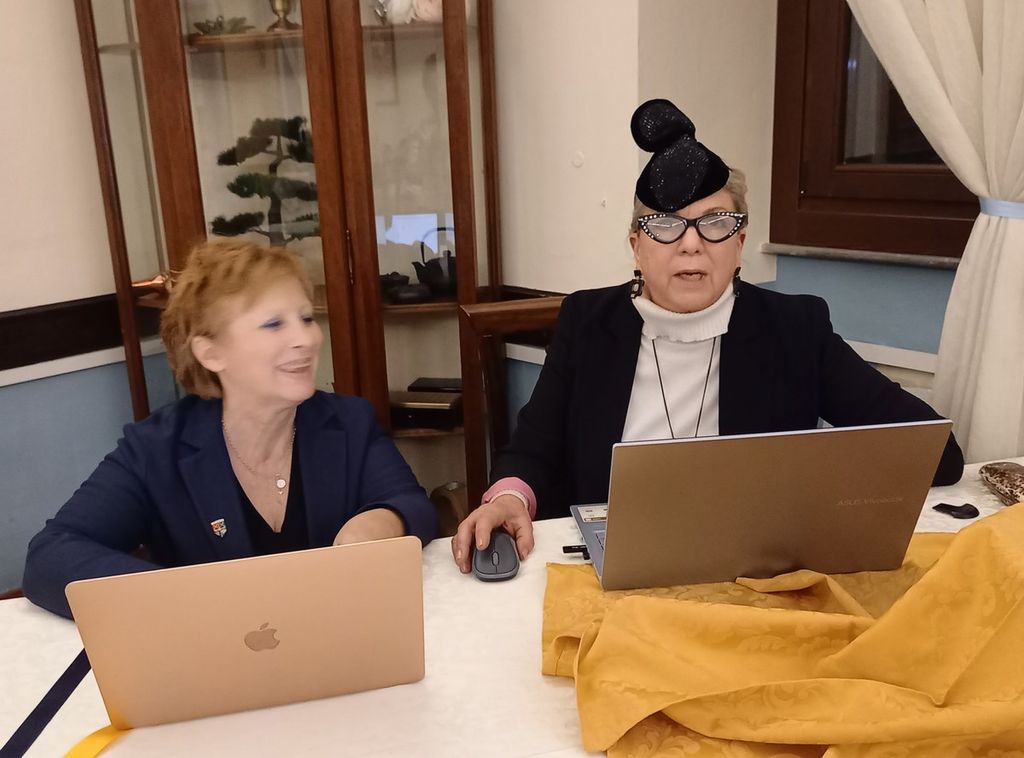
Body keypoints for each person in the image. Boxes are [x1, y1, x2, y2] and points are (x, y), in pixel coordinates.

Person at [452, 98, 964, 573]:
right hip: (615, 564)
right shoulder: (588, 322)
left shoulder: (795, 329)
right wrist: (509, 498)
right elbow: (533, 449)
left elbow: (933, 452)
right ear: (636, 247)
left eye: (716, 223)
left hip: (752, 569)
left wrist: (810, 493)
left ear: (740, 244)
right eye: (666, 225)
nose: (692, 245)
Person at [24, 239, 438, 618]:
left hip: (337, 641)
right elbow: (51, 557)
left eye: (306, 318)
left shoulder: (348, 421)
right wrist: (185, 597)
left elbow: (410, 503)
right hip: (210, 658)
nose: (306, 339)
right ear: (211, 353)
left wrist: (382, 522)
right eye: (274, 324)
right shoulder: (155, 449)